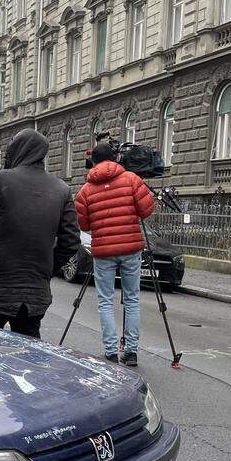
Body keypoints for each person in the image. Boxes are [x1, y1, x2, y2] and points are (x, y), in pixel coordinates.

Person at [0, 129, 80, 338]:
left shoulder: (2, 180)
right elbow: (71, 240)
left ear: (17, 151)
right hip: (35, 291)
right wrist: (47, 267)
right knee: (29, 359)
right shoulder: (61, 189)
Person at [74, 143, 156, 366]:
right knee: (131, 299)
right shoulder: (131, 179)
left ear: (93, 162)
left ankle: (110, 351)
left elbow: (84, 224)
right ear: (115, 158)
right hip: (131, 248)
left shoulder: (85, 191)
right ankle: (130, 352)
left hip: (103, 251)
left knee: (105, 301)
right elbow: (147, 210)